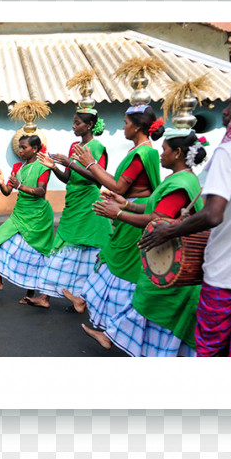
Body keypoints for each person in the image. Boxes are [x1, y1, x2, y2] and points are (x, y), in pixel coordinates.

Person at [139, 57, 231, 357]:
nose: (225, 112)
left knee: (212, 352)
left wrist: (168, 231)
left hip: (225, 278)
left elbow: (214, 213)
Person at [88, 128, 208, 356]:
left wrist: (118, 215)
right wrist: (126, 205)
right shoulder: (178, 179)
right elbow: (155, 208)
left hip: (176, 263)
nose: (160, 154)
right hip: (168, 257)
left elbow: (157, 218)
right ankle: (113, 336)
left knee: (152, 303)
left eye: (164, 149)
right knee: (145, 300)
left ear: (178, 153)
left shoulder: (180, 183)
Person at [62, 105, 164, 331]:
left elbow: (119, 185)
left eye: (126, 123)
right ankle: (92, 308)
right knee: (110, 260)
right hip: (125, 208)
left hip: (132, 214)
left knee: (120, 266)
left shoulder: (142, 153)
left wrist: (90, 164)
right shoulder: (138, 151)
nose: (124, 127)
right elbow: (121, 186)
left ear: (137, 127)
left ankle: (120, 325)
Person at [34, 108, 112, 305]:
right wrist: (54, 167)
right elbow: (68, 177)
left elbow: (97, 179)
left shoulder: (98, 147)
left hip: (89, 202)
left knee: (85, 250)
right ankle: (46, 296)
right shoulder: (73, 146)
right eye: (74, 122)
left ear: (90, 125)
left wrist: (72, 163)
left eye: (77, 123)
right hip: (73, 201)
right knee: (61, 245)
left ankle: (82, 297)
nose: (73, 126)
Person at [0, 134, 54, 306]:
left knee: (33, 254)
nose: (20, 151)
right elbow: (8, 191)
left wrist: (20, 186)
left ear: (35, 149)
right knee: (0, 242)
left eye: (24, 148)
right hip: (19, 213)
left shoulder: (43, 166)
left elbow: (41, 191)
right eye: (19, 147)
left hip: (38, 216)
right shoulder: (17, 167)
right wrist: (0, 183)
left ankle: (30, 293)